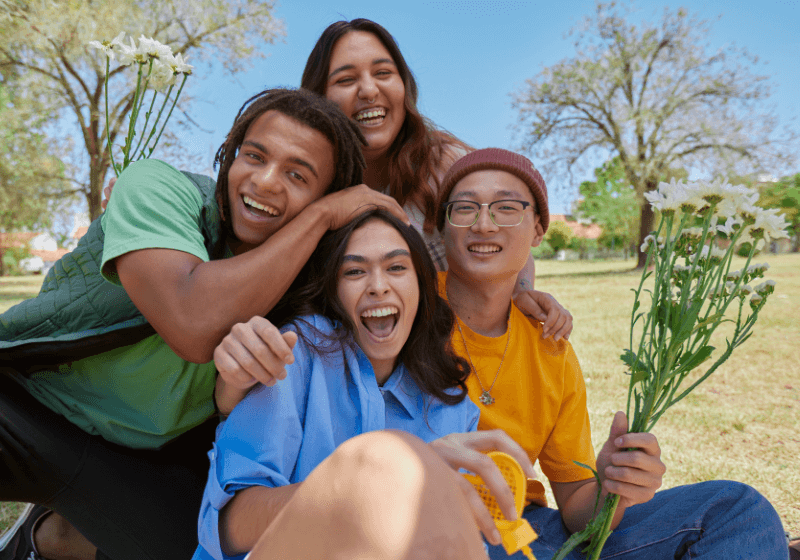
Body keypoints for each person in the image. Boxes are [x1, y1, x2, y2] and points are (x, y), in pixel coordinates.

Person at [0, 88, 409, 560]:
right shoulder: (157, 187)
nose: (266, 181)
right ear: (229, 154)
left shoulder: (307, 282)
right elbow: (193, 321)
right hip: (32, 404)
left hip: (139, 456)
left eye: (298, 175)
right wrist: (318, 214)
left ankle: (48, 539)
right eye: (253, 156)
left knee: (200, 547)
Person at [435, 148, 788, 559]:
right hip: (441, 522)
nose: (483, 223)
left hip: (530, 530)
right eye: (463, 208)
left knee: (736, 511)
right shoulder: (403, 304)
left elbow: (574, 508)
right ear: (441, 227)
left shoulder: (550, 346)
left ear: (537, 232)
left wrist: (611, 486)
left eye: (506, 208)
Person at [194, 208, 534, 560]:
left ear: (421, 285)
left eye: (397, 267)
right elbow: (228, 527)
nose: (378, 286)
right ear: (333, 289)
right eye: (354, 271)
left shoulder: (453, 409)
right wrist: (378, 482)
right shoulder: (297, 352)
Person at [300, 18, 573, 341]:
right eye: (345, 79)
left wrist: (521, 291)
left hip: (451, 352)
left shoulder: (446, 165)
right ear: (318, 99)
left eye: (383, 73)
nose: (369, 90)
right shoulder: (306, 183)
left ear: (404, 86)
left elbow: (508, 233)